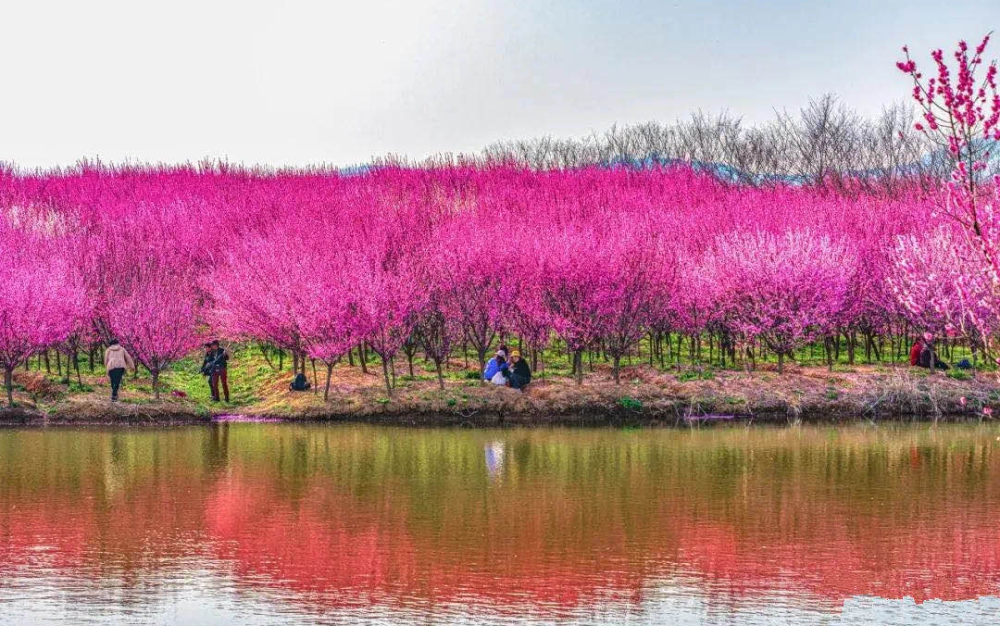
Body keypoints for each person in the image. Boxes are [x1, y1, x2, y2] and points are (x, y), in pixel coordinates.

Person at [103, 339, 135, 403]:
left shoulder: (108, 350)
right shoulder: (122, 349)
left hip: (111, 366)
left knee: (113, 381)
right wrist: (132, 366)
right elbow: (128, 357)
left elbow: (105, 359)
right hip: (120, 366)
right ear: (117, 343)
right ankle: (114, 395)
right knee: (117, 381)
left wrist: (106, 365)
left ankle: (114, 395)